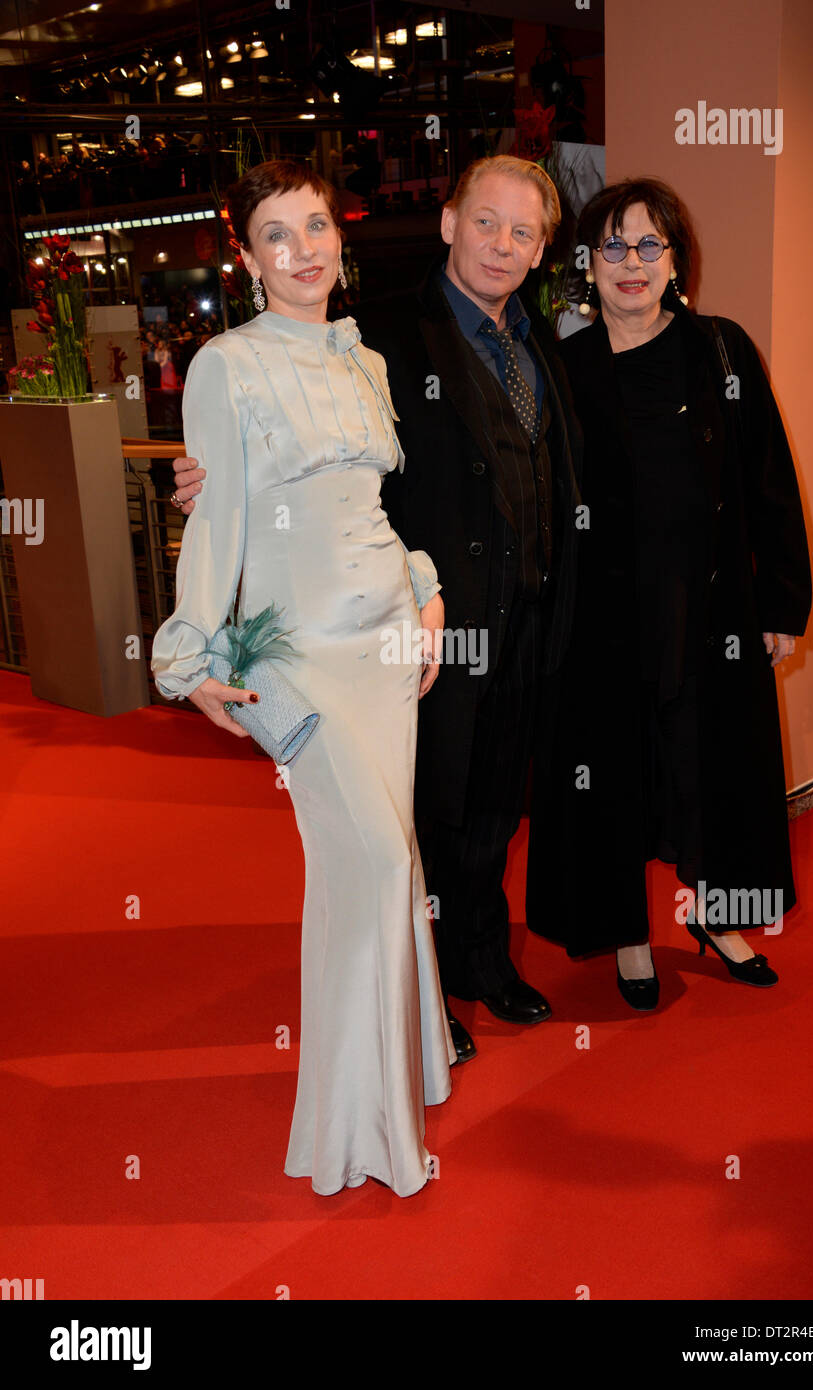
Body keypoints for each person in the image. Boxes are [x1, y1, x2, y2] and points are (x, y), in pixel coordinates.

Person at [171, 155, 582, 1061]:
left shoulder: (542, 344)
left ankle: (474, 967)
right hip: (379, 632)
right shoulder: (382, 330)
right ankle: (416, 998)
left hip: (493, 617)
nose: (500, 245)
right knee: (414, 823)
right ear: (446, 222)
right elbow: (285, 456)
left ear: (541, 248)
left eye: (522, 232)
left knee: (489, 811)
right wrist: (203, 482)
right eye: (485, 222)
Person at [151, 158, 454, 1197]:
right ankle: (353, 1129)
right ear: (245, 256)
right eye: (276, 235)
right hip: (298, 657)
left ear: (339, 235)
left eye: (316, 225)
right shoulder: (225, 365)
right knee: (366, 865)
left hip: (386, 645)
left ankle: (400, 1076)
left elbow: (372, 507)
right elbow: (218, 524)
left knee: (391, 864)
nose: (303, 249)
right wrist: (192, 652)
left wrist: (425, 588)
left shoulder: (362, 356)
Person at [526, 177, 811, 1008]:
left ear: (674, 259)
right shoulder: (561, 365)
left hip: (711, 611)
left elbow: (770, 485)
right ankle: (624, 934)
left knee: (711, 769)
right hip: (603, 619)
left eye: (649, 245)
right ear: (588, 261)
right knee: (611, 775)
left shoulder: (720, 350)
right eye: (612, 245)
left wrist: (781, 607)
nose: (631, 263)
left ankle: (717, 917)